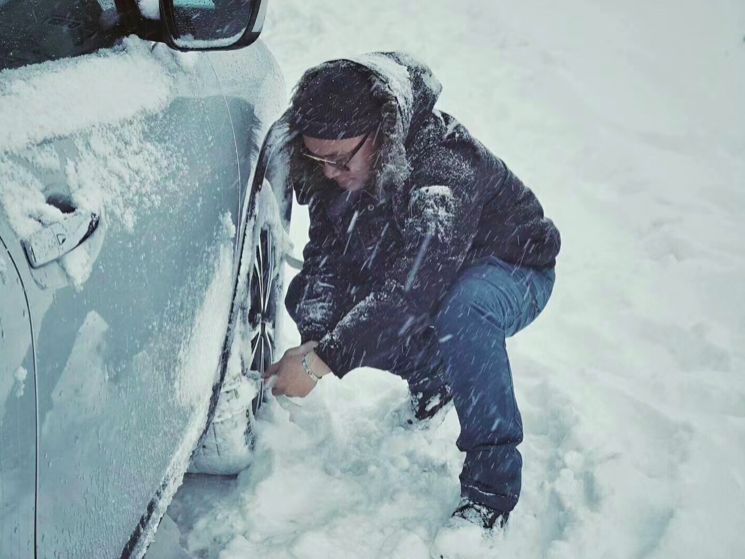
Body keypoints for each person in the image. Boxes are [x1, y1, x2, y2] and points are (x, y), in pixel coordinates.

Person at [263, 51, 560, 530]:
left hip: (512, 268)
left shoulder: (445, 168)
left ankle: (491, 489)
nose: (330, 174)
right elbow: (325, 260)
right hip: (431, 270)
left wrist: (322, 362)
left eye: (339, 160)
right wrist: (314, 338)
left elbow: (412, 290)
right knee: (317, 301)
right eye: (318, 161)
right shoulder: (337, 171)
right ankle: (435, 377)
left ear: (382, 131)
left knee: (465, 309)